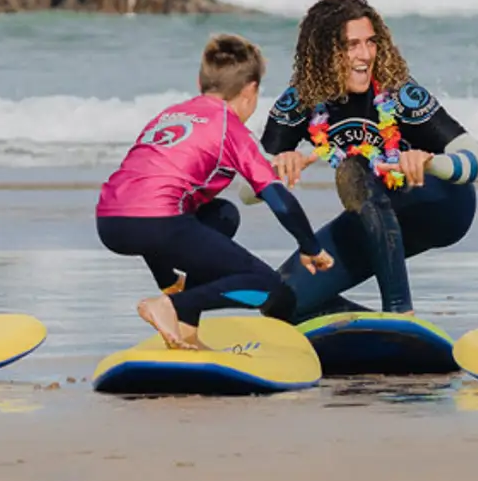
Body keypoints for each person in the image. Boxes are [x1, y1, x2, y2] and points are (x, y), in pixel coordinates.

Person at [261, 0, 478, 319]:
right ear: (325, 52)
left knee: (353, 168)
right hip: (373, 218)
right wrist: (277, 166)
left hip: (439, 204)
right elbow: (248, 191)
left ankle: (401, 314)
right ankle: (371, 329)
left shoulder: (398, 92)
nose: (365, 55)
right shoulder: (299, 102)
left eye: (371, 42)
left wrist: (430, 163)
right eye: (352, 45)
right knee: (280, 302)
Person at [97, 34, 334, 349]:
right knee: (267, 287)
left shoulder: (170, 115)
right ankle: (171, 307)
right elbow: (277, 198)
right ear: (250, 90)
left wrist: (167, 279)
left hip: (110, 222)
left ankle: (185, 326)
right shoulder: (230, 128)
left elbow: (141, 194)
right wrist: (311, 246)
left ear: (201, 82)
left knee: (222, 215)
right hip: (159, 224)